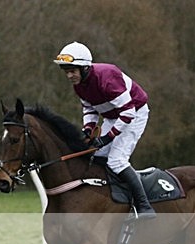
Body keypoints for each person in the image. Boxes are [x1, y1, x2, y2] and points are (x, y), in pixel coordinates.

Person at [54, 41, 156, 219]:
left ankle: (144, 206)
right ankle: (111, 201)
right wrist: (88, 129)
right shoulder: (79, 85)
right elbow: (90, 109)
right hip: (113, 117)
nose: (69, 75)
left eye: (72, 71)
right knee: (98, 157)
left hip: (135, 113)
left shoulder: (107, 77)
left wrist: (109, 137)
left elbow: (128, 111)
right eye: (66, 72)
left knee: (116, 161)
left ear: (85, 68)